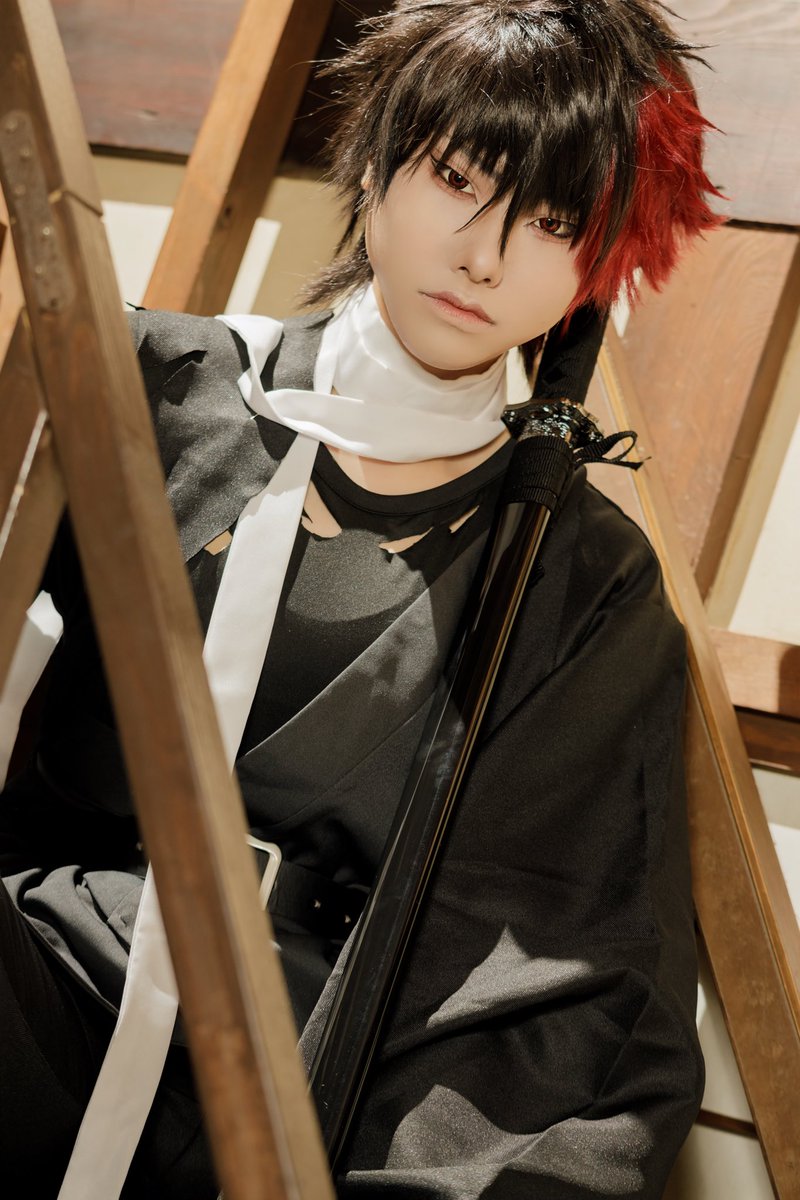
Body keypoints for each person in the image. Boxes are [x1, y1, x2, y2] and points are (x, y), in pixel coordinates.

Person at [0, 0, 723, 1195]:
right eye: (458, 180)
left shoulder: (577, 576)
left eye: (552, 223)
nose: (483, 256)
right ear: (377, 159)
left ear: (598, 269)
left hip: (318, 1097)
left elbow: (571, 972)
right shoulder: (146, 387)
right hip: (47, 988)